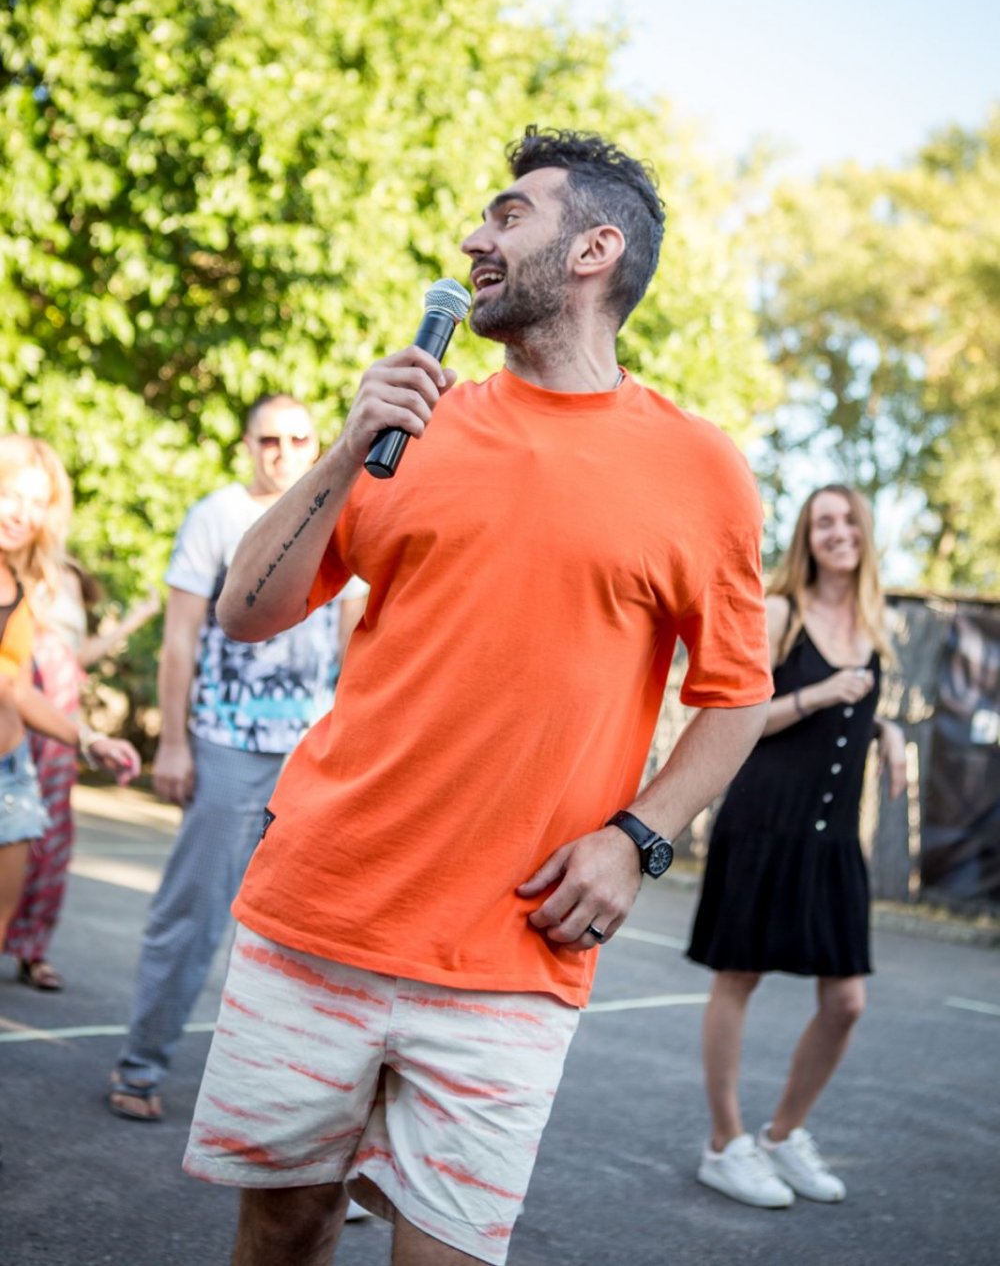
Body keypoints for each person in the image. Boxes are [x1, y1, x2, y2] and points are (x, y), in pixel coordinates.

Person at [181, 127, 774, 1266]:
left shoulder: (699, 468)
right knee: (283, 1231)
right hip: (321, 911)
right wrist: (346, 447)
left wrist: (638, 838)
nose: (472, 237)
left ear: (596, 249)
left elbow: (737, 693)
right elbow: (245, 610)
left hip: (514, 951)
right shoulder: (412, 426)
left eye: (509, 215)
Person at [109, 394, 367, 1123]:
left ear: (318, 442)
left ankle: (280, 1097)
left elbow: (355, 642)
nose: (283, 452)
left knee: (305, 929)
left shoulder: (343, 504)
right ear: (247, 446)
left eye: (298, 439)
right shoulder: (217, 515)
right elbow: (179, 639)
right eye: (268, 440)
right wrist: (173, 741)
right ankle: (140, 1067)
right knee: (192, 914)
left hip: (311, 754)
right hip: (225, 744)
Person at [687, 484, 907, 1210]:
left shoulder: (876, 624)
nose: (837, 532)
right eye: (822, 523)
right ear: (807, 539)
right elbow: (740, 714)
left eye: (847, 520)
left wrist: (888, 731)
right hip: (763, 822)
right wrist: (819, 694)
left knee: (846, 1002)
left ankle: (784, 1135)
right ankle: (725, 1144)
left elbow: (857, 710)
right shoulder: (781, 613)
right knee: (738, 977)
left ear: (865, 531)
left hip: (833, 838)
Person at [0, 435, 140, 953]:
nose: (23, 514)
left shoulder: (19, 584)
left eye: (37, 503)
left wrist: (87, 739)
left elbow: (17, 689)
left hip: (11, 775)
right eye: (11, 495)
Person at [5, 527, 160, 992]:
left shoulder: (64, 576)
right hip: (22, 713)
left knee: (49, 836)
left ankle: (32, 947)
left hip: (56, 713)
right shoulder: (26, 577)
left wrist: (134, 620)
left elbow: (77, 655)